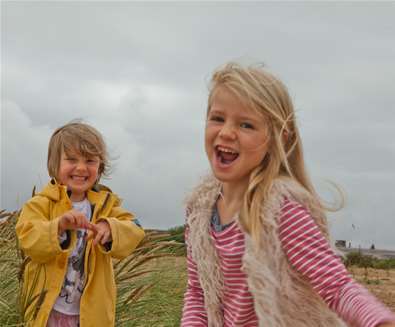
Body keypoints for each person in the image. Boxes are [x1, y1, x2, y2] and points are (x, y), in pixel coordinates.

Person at [181, 62, 395, 326]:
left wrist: (381, 322)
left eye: (246, 125)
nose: (226, 132)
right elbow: (199, 291)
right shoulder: (199, 212)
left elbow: (337, 287)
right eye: (217, 118)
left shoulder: (280, 211)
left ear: (278, 139)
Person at [16, 121, 145, 327]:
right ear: (54, 164)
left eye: (90, 160)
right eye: (71, 159)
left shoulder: (107, 204)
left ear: (99, 166)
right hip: (46, 311)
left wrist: (110, 226)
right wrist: (57, 226)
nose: (81, 167)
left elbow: (135, 228)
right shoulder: (41, 204)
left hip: (90, 314)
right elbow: (28, 239)